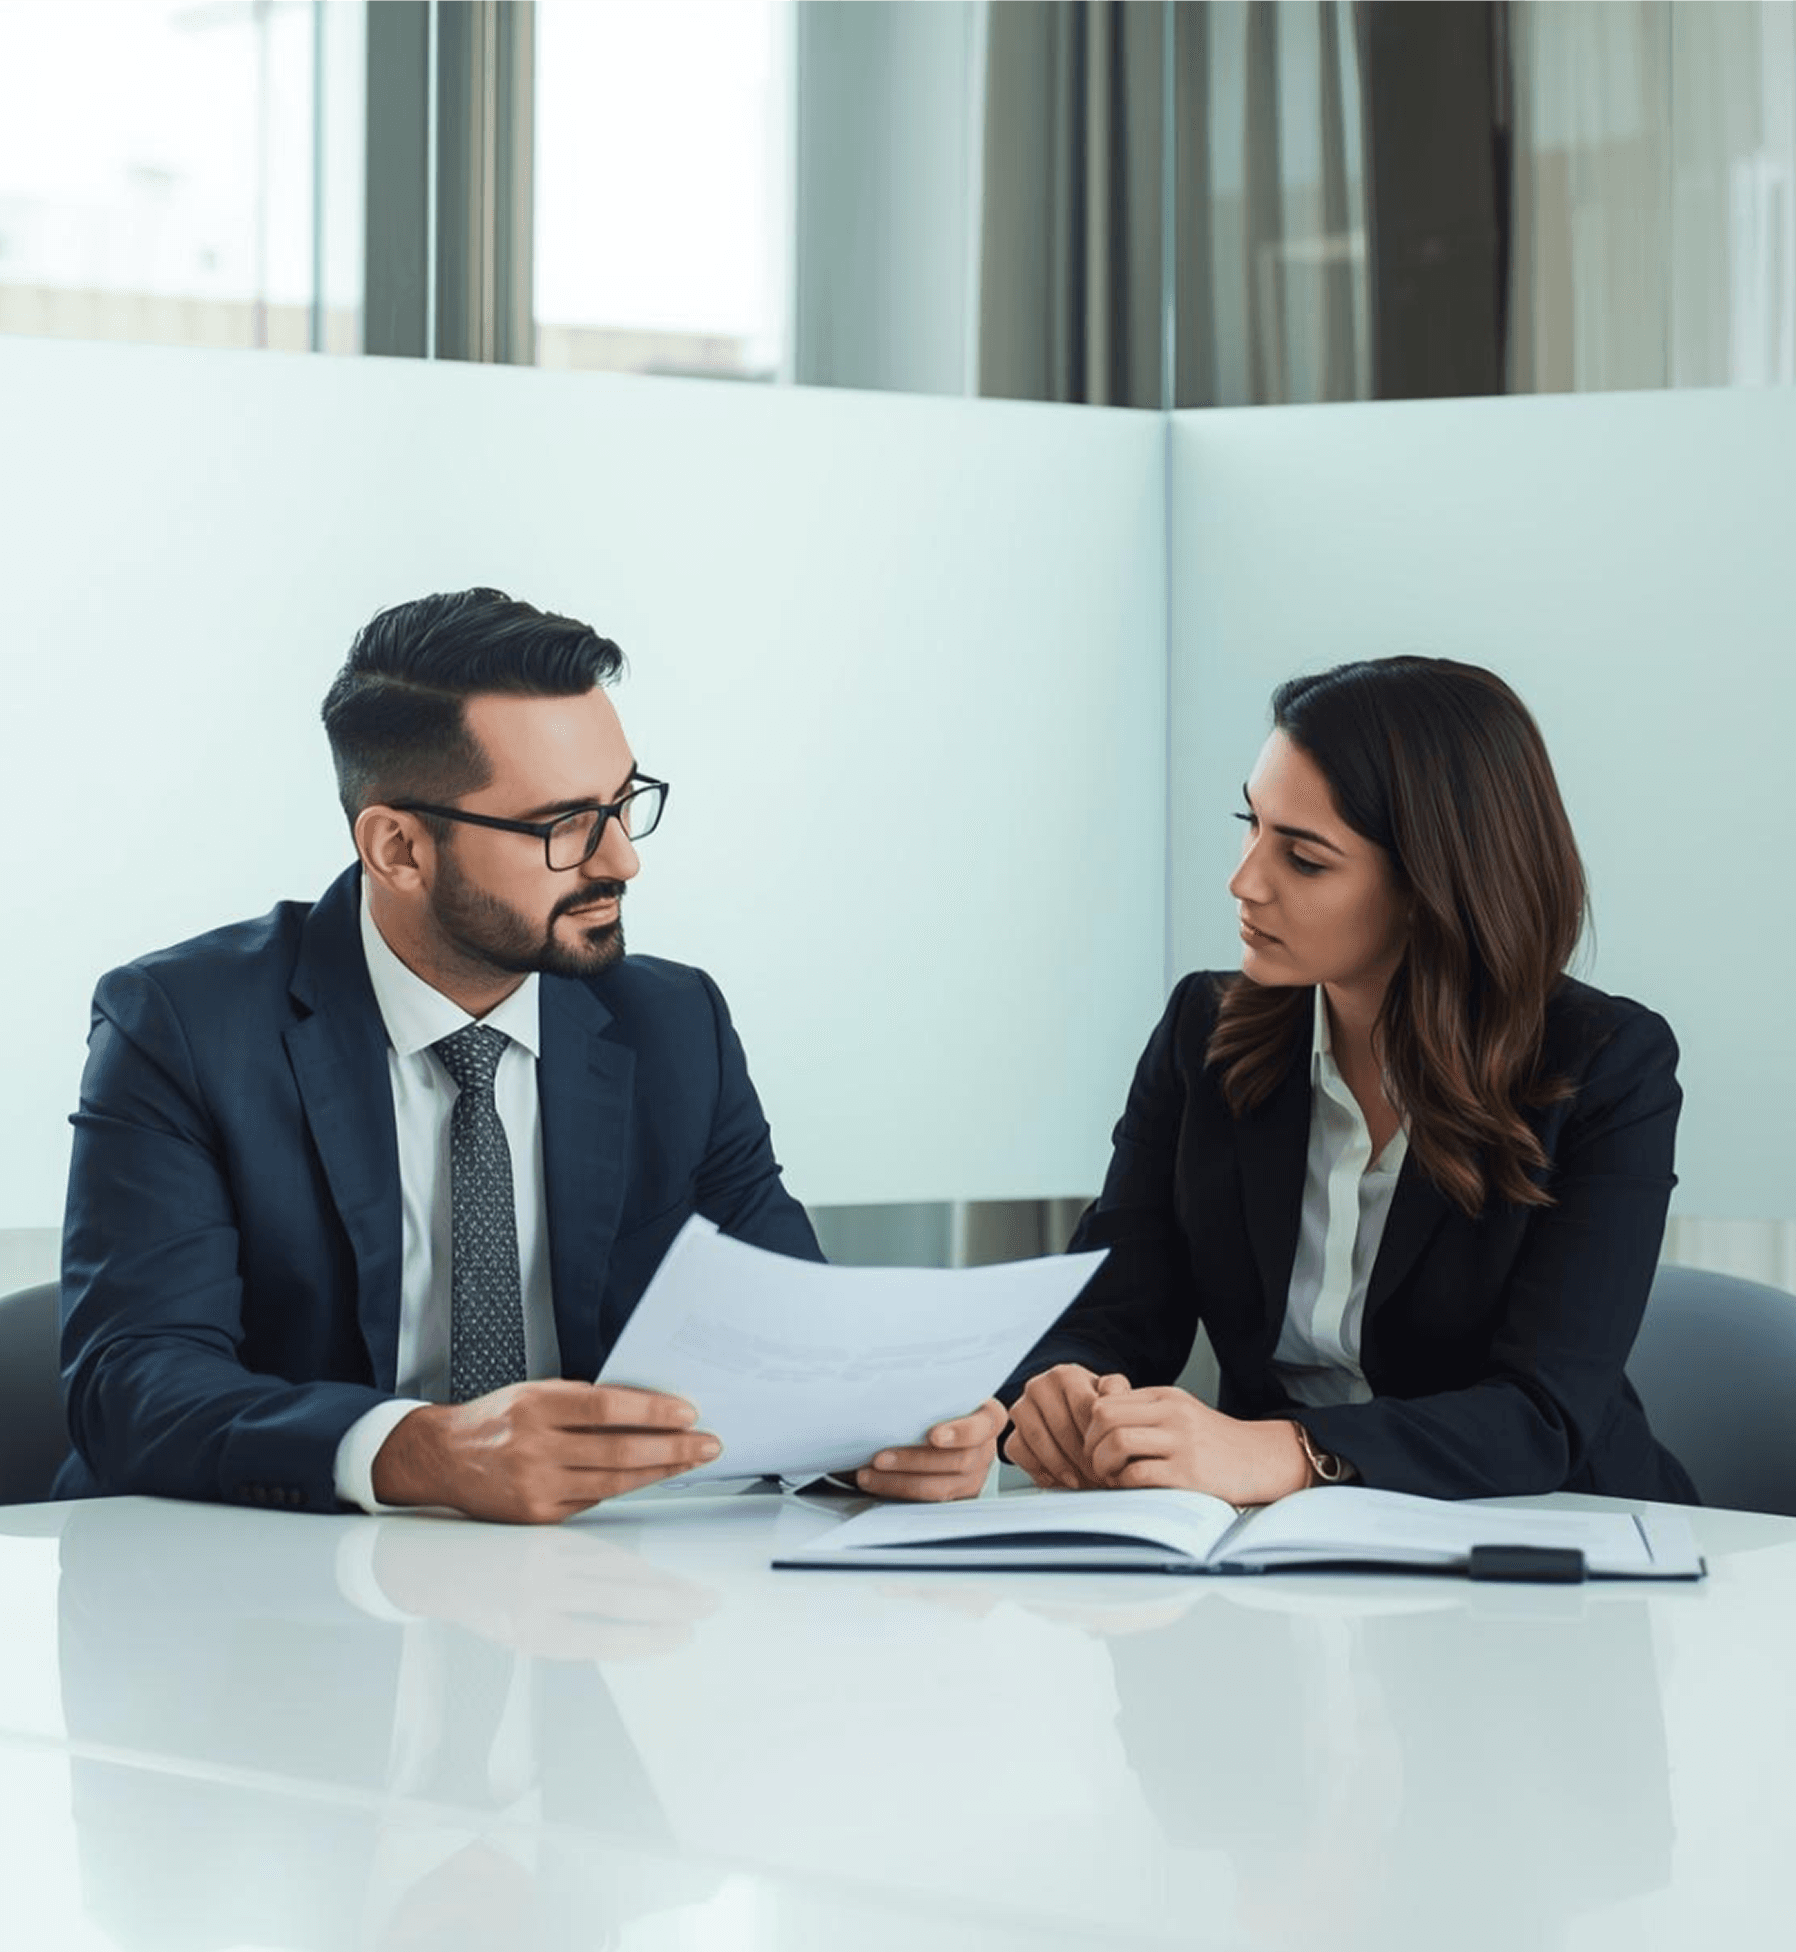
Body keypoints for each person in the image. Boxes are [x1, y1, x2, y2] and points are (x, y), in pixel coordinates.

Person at [60, 588, 1003, 1519]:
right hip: (250, 1605)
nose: (622, 860)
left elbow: (796, 1347)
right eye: (564, 825)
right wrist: (423, 1450)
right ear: (398, 848)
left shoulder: (673, 1024)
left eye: (624, 802)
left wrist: (872, 1442)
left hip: (588, 1605)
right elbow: (133, 1379)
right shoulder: (183, 1025)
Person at [1003, 656, 1697, 1506]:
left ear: (1431, 888)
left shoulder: (1604, 1066)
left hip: (1549, 1539)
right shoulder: (1205, 1032)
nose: (1244, 880)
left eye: (1303, 858)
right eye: (1250, 825)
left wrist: (1292, 1453)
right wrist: (1063, 1391)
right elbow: (1110, 1310)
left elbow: (1541, 1415)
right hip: (1276, 1558)